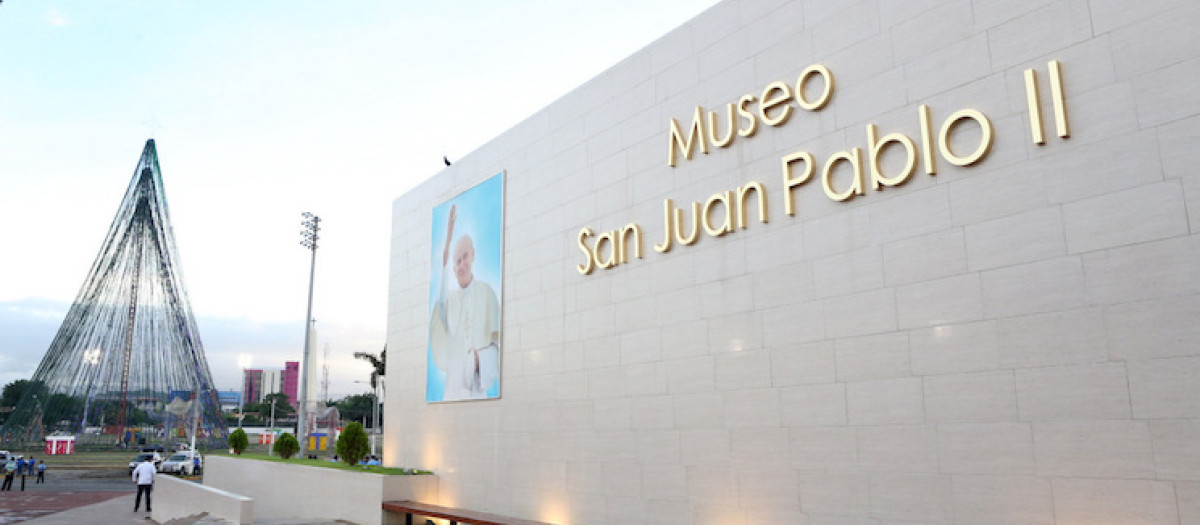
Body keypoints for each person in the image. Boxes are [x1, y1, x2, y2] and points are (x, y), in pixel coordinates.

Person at [429, 204, 501, 401]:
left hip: (478, 390)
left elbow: (498, 346)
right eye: (457, 261)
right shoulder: (450, 300)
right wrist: (447, 245)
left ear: (473, 255)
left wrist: (480, 359)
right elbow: (440, 303)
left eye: (465, 257)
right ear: (452, 268)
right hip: (453, 390)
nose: (462, 265)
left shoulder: (487, 293)